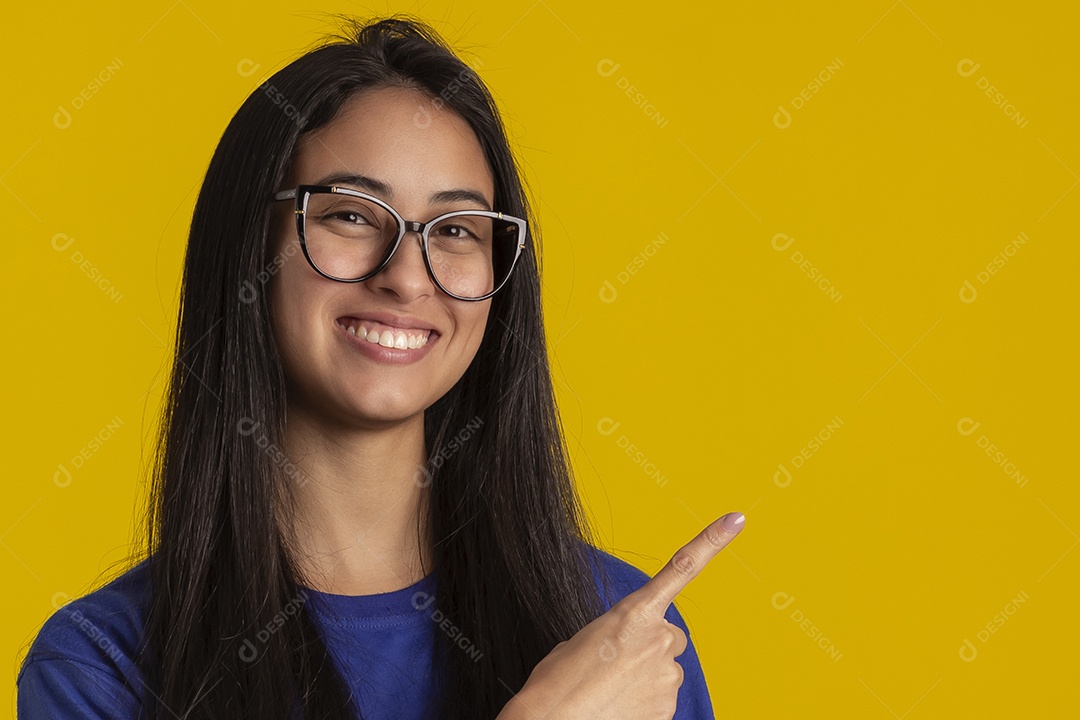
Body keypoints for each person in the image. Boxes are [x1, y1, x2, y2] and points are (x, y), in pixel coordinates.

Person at [16, 15, 745, 719]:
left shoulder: (620, 640)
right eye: (352, 216)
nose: (407, 276)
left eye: (456, 230)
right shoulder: (103, 668)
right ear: (251, 249)